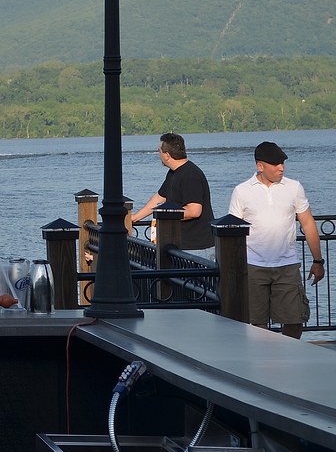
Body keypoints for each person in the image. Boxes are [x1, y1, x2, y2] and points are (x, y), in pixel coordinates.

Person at [228, 141, 325, 339]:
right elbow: (233, 229)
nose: (281, 168)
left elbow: (307, 223)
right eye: (275, 164)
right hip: (253, 266)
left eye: (282, 163)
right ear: (260, 166)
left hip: (287, 266)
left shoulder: (294, 187)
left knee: (295, 319)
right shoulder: (242, 191)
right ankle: (264, 363)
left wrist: (318, 260)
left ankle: (286, 356)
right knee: (256, 322)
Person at [131, 133, 215, 259]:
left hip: (196, 247)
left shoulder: (190, 175)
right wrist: (135, 217)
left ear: (167, 155)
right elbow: (159, 198)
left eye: (159, 150)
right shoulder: (173, 173)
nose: (158, 154)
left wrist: (164, 217)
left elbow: (194, 210)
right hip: (181, 245)